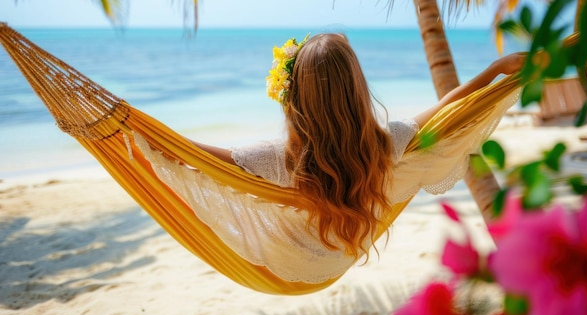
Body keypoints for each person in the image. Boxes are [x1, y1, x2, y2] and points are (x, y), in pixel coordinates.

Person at [192, 33, 525, 260]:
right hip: (345, 248)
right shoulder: (384, 144)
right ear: (357, 88)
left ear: (297, 97)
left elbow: (200, 156)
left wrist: (147, 130)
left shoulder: (281, 160)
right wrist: (495, 69)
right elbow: (446, 108)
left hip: (289, 262)